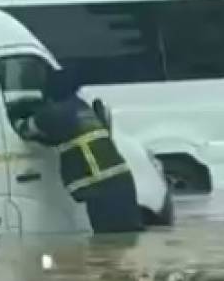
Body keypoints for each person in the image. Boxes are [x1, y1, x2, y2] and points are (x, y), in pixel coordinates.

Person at [28, 69, 143, 235]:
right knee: (124, 239)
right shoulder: (82, 108)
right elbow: (66, 138)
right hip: (121, 182)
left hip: (101, 189)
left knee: (108, 244)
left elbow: (25, 129)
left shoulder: (53, 113)